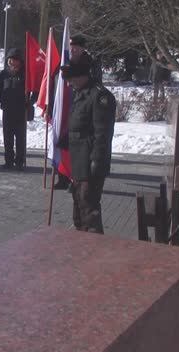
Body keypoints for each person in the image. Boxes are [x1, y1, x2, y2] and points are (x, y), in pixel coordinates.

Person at [61, 58, 116, 234]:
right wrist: (63, 139)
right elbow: (79, 124)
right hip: (79, 161)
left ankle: (93, 249)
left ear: (82, 76)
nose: (69, 84)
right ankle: (81, 246)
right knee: (79, 207)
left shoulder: (99, 96)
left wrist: (96, 161)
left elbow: (102, 134)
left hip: (90, 162)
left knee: (89, 207)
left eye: (71, 79)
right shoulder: (82, 93)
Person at [0, 48, 27, 170]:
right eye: (10, 60)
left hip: (21, 111)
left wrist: (30, 102)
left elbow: (34, 90)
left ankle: (19, 161)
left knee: (20, 138)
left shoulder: (25, 74)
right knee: (7, 137)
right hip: (7, 110)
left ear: (20, 62)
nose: (11, 62)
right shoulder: (4, 74)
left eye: (14, 60)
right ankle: (8, 160)